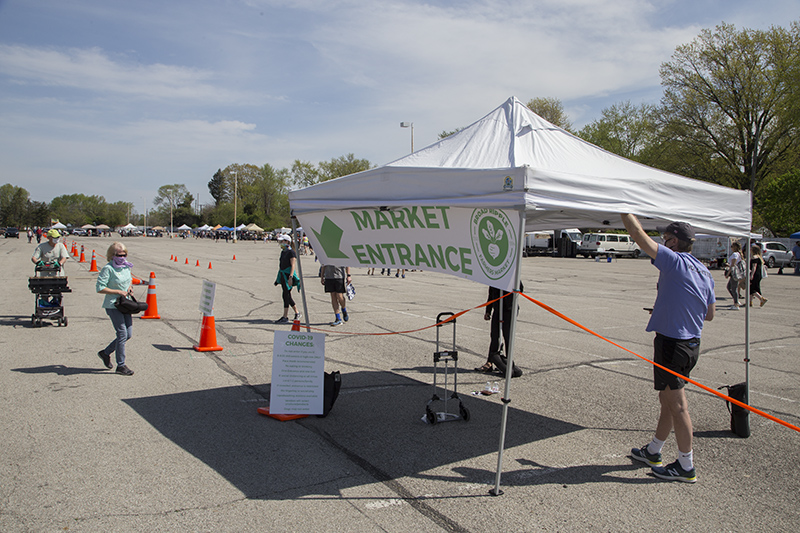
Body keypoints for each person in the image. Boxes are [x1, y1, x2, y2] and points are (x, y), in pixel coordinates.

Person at [622, 215, 715, 484]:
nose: (663, 241)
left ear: (674, 241)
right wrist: (673, 306)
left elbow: (639, 237)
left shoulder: (674, 261)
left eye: (667, 238)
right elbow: (709, 314)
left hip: (673, 345)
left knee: (678, 406)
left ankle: (686, 466)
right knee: (667, 401)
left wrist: (622, 209)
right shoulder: (704, 270)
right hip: (691, 343)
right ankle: (653, 451)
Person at [95, 242, 136, 376]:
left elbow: (129, 280)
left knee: (128, 334)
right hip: (113, 305)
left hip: (125, 304)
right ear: (112, 255)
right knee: (122, 333)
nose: (122, 257)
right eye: (119, 255)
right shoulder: (108, 269)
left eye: (124, 255)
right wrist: (118, 291)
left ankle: (105, 353)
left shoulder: (126, 267)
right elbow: (100, 288)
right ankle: (121, 365)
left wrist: (129, 288)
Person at [477, 283, 524, 377]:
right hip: (498, 309)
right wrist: (488, 310)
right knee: (495, 336)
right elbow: (491, 295)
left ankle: (507, 363)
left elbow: (520, 288)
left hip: (509, 310)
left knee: (508, 337)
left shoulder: (512, 275)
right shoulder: (496, 277)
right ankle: (490, 362)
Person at [273, 235, 301, 324]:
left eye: (283, 241)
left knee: (286, 295)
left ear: (287, 242)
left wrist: (290, 277)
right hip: (282, 275)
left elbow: (293, 265)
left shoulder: (291, 252)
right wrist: (278, 279)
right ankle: (297, 312)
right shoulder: (283, 252)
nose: (281, 243)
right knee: (286, 295)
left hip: (288, 275)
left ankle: (285, 316)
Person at [725, 242, 744, 309]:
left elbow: (733, 265)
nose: (731, 248)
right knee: (729, 287)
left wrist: (728, 273)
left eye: (732, 246)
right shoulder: (737, 254)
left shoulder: (735, 254)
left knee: (733, 288)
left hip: (734, 273)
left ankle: (736, 303)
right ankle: (736, 301)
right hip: (735, 272)